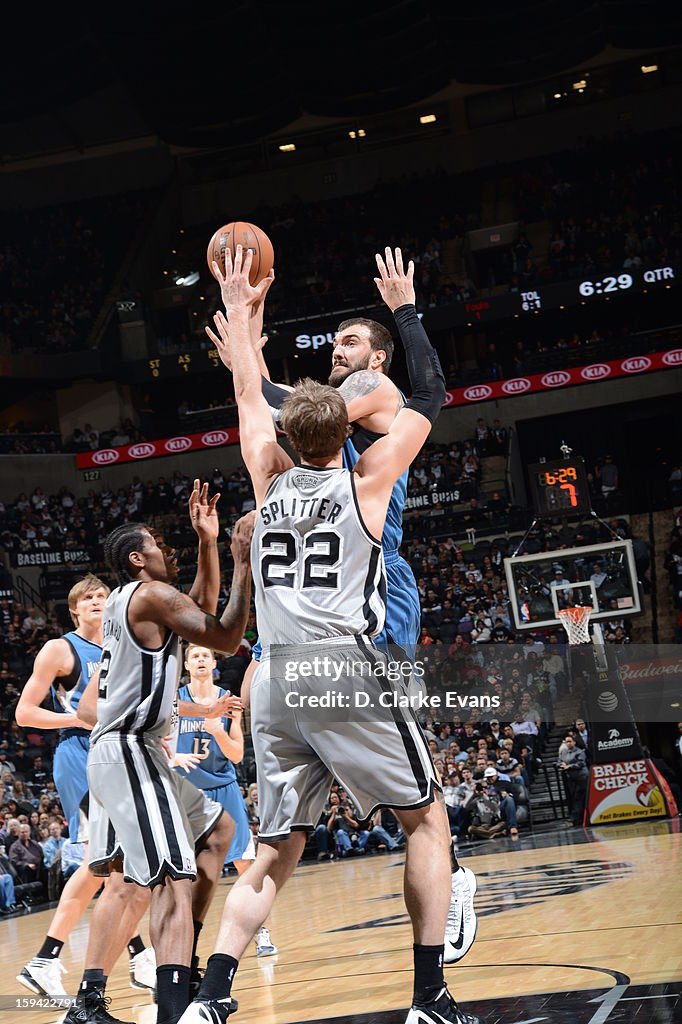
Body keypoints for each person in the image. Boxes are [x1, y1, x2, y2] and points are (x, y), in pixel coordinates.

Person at [179, 245, 479, 1024]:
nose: (339, 355)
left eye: (351, 345)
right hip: (344, 643)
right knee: (424, 816)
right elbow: (434, 390)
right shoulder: (365, 474)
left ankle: (211, 997)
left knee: (276, 847)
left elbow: (258, 399)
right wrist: (252, 340)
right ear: (333, 426)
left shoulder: (276, 466)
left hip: (279, 669)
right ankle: (431, 989)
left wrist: (243, 327)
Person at [64, 500, 255, 1024]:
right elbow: (225, 635)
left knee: (213, 834)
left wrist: (207, 543)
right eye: (154, 543)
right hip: (129, 750)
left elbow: (199, 609)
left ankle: (93, 1000)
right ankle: (174, 1007)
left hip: (122, 751)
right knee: (173, 877)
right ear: (135, 559)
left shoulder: (139, 600)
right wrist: (241, 560)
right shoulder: (148, 595)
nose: (162, 547)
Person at [15, 574, 156, 999]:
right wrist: (75, 718)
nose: (96, 601)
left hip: (117, 750)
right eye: (87, 597)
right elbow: (24, 713)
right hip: (79, 753)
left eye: (102, 595)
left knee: (118, 861)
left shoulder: (120, 645)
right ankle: (51, 958)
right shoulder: (61, 649)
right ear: (74, 608)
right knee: (104, 858)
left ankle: (134, 955)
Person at [173, 643, 277, 958]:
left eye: (207, 655)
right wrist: (174, 757)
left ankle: (262, 932)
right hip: (187, 793)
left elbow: (235, 753)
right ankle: (181, 944)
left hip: (224, 789)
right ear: (187, 665)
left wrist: (217, 731)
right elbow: (161, 744)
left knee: (246, 863)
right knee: (183, 869)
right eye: (195, 656)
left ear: (214, 663)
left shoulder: (228, 701)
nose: (201, 659)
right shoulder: (176, 703)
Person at [558, 734, 588, 826]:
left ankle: (575, 819)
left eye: (570, 741)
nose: (568, 743)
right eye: (566, 741)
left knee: (579, 798)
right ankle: (576, 818)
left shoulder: (580, 751)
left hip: (581, 778)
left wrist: (568, 766)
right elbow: (559, 761)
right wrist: (560, 765)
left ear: (574, 742)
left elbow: (581, 763)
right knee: (574, 798)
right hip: (571, 779)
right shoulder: (564, 752)